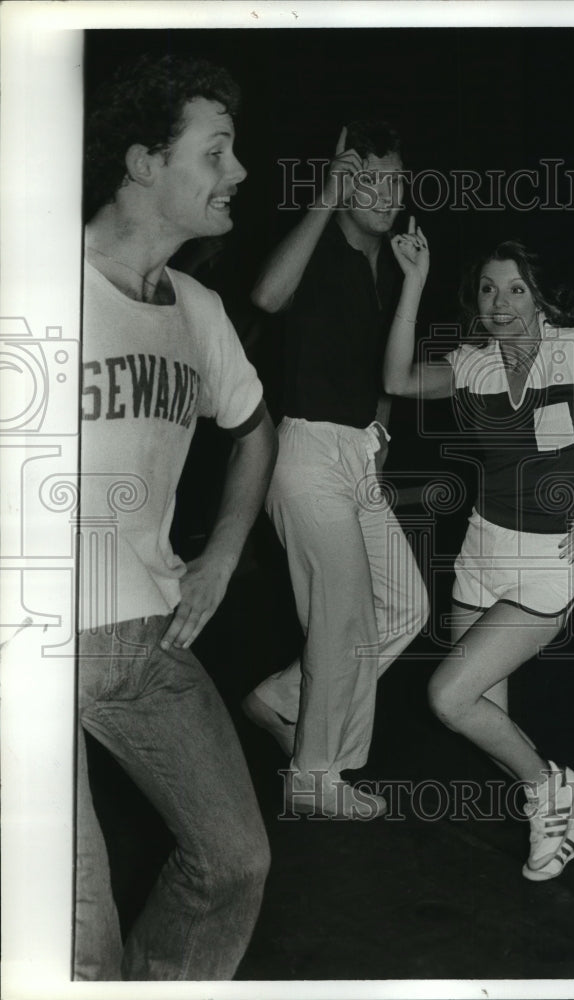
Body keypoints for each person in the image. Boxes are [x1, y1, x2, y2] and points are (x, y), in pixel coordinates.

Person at [77, 53, 277, 979]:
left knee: (235, 860)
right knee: (77, 942)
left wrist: (225, 552)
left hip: (153, 637)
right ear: (144, 162)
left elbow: (255, 430)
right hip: (37, 649)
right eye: (217, 152)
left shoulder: (197, 309)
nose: (237, 173)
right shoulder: (42, 279)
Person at [383, 225, 574, 881]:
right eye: (488, 289)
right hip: (481, 551)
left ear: (539, 298)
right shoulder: (470, 362)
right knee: (485, 724)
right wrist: (414, 282)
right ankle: (559, 802)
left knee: (449, 698)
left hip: (548, 560)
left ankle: (553, 792)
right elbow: (395, 378)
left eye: (515, 289)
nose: (500, 303)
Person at [242, 122, 429, 820]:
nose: (387, 195)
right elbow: (265, 296)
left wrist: (380, 432)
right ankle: (316, 777)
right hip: (306, 453)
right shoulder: (320, 250)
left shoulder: (389, 267)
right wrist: (324, 195)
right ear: (348, 185)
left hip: (357, 455)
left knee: (406, 605)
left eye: (397, 182)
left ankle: (287, 698)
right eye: (372, 181)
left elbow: (391, 371)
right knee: (343, 619)